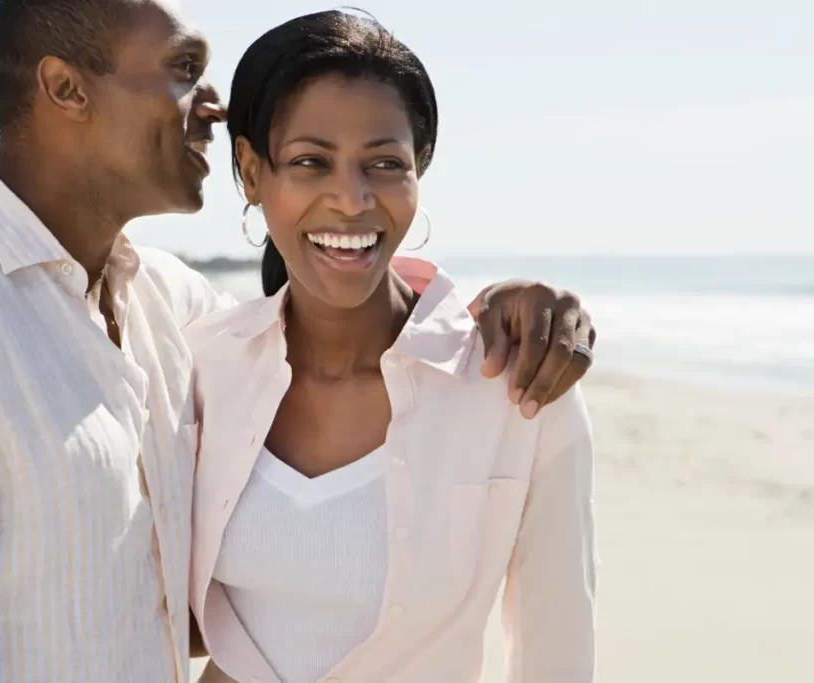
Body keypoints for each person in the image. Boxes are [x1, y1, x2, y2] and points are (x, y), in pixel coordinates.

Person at [0, 1, 594, 681]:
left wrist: (501, 305)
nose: (211, 103)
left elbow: (340, 302)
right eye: (181, 69)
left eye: (385, 164)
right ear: (65, 88)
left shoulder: (171, 310)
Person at [187, 11, 595, 683]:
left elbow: (559, 654)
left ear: (419, 170)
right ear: (252, 172)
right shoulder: (200, 369)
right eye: (310, 162)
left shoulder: (519, 386)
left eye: (384, 164)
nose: (352, 200)